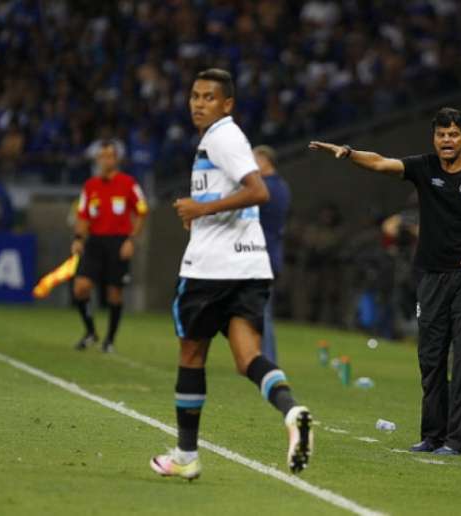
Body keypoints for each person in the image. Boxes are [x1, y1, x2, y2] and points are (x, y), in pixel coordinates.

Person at [309, 107, 461, 455]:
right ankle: (433, 435)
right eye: (440, 134)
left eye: (452, 135)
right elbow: (380, 162)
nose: (446, 140)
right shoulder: (423, 167)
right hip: (431, 276)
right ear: (434, 138)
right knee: (430, 357)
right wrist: (349, 153)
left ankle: (458, 440)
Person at [150, 69, 312, 480]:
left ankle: (186, 455)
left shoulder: (223, 136)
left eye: (208, 97)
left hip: (211, 271)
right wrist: (201, 209)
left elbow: (259, 191)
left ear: (227, 104)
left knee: (191, 354)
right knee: (248, 358)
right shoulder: (219, 139)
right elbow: (235, 196)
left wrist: (200, 211)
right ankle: (292, 410)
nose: (198, 103)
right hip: (249, 266)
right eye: (194, 96)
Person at [71, 141, 148, 353]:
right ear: (97, 160)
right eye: (102, 156)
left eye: (109, 156)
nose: (105, 160)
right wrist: (78, 238)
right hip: (95, 242)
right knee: (81, 287)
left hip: (118, 242)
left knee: (114, 293)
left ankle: (109, 340)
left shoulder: (128, 183)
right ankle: (90, 332)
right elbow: (83, 215)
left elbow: (142, 211)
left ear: (116, 160)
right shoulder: (90, 186)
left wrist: (131, 240)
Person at [253, 145, 291, 363]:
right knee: (259, 309)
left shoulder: (266, 188)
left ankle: (267, 360)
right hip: (271, 253)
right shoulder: (282, 186)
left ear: (265, 160)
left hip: (262, 254)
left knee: (262, 311)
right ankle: (259, 357)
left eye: (254, 159)